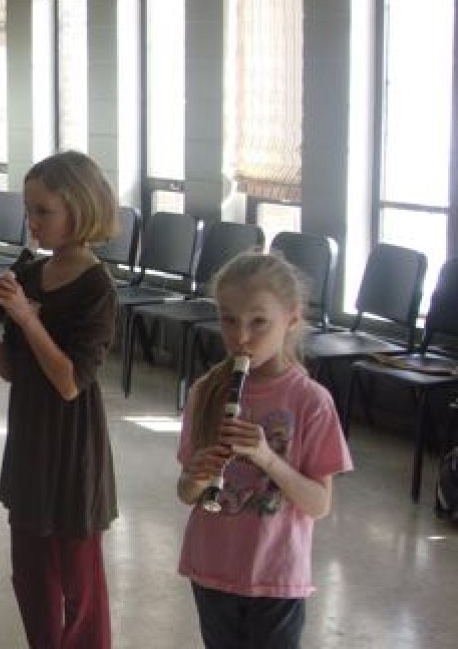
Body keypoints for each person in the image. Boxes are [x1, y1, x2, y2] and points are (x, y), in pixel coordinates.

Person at [0, 150, 120, 648]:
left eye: (43, 211)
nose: (31, 222)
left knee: (80, 581)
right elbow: (12, 370)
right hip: (29, 440)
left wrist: (30, 320)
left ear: (81, 207)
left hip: (73, 450)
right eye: (29, 209)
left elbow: (71, 381)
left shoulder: (97, 287)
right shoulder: (30, 275)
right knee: (30, 574)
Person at [176, 252, 353, 649]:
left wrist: (267, 457)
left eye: (259, 322)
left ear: (291, 319)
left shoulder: (311, 401)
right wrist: (198, 475)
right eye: (228, 319)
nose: (241, 337)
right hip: (212, 568)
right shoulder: (207, 391)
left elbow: (319, 504)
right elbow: (188, 494)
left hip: (276, 577)